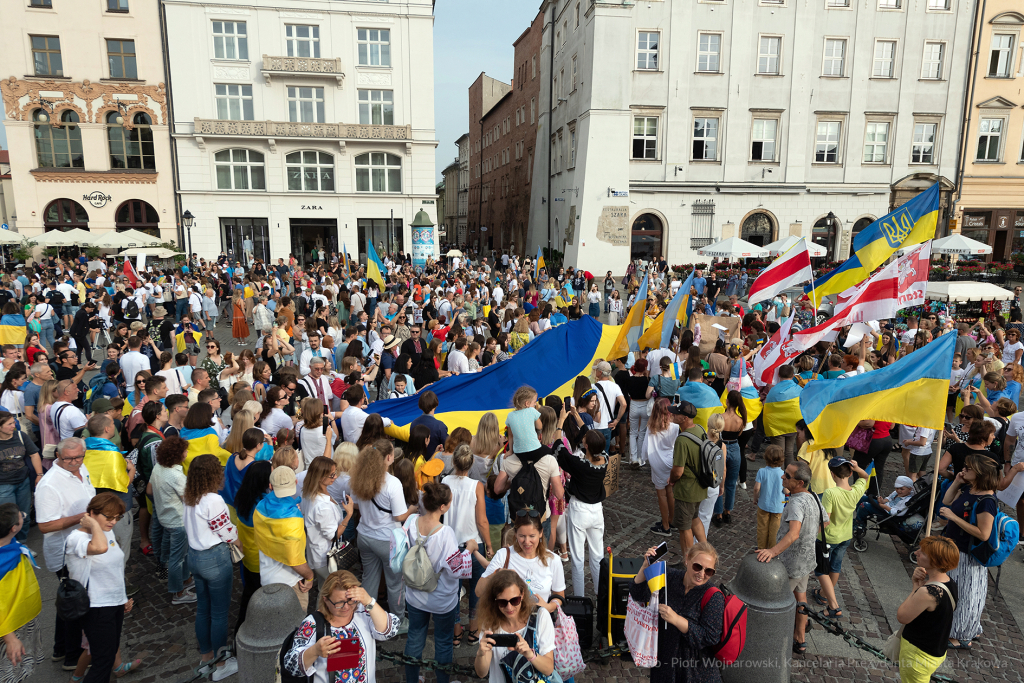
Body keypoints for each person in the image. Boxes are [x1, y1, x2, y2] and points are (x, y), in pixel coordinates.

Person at [402, 482, 478, 683]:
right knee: (443, 642)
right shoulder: (445, 534)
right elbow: (456, 569)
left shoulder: (411, 522)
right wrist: (469, 550)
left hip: (415, 594)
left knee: (415, 637)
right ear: (443, 506)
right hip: (441, 599)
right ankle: (443, 680)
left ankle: (412, 679)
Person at [756, 461, 829, 655]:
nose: (782, 477)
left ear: (799, 483)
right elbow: (826, 521)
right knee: (801, 598)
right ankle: (800, 639)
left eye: (787, 476)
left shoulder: (796, 502)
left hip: (791, 563)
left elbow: (793, 533)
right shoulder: (812, 495)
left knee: (775, 602)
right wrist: (810, 534)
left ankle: (769, 640)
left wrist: (772, 551)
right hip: (806, 561)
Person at [33, 437, 94, 669]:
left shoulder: (80, 466)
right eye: (68, 458)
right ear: (58, 456)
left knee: (68, 601)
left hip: (82, 546)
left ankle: (60, 649)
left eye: (79, 457)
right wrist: (83, 517)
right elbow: (45, 526)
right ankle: (72, 657)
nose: (75, 462)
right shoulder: (49, 485)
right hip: (66, 553)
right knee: (77, 605)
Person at [64, 492, 138, 683]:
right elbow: (99, 548)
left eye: (117, 518)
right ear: (90, 513)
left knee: (109, 651)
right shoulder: (76, 539)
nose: (113, 522)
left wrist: (122, 599)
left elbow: (115, 568)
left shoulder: (106, 531)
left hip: (112, 604)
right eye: (108, 516)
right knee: (103, 661)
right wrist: (94, 525)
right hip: (95, 607)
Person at [629, 541, 725, 683]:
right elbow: (638, 595)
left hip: (695, 671)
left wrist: (676, 619)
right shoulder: (669, 577)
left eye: (708, 571)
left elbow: (709, 637)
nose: (701, 574)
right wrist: (645, 566)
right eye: (697, 567)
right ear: (687, 560)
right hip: (665, 663)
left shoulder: (714, 597)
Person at [282, 569, 400, 682]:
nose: (346, 607)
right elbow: (291, 666)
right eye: (339, 603)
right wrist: (314, 651)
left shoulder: (362, 611)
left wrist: (369, 601)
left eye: (350, 600)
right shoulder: (312, 624)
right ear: (326, 600)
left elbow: (390, 630)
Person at [183, 454, 239, 681]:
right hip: (214, 558)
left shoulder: (190, 497)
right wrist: (239, 542)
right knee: (219, 613)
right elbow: (226, 531)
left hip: (194, 556)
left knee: (203, 609)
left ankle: (206, 657)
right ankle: (221, 662)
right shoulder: (213, 501)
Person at [349, 440, 417, 629]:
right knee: (395, 583)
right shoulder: (392, 483)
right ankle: (397, 620)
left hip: (364, 535)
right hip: (388, 540)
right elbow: (399, 515)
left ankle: (365, 617)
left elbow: (355, 504)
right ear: (388, 458)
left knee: (369, 579)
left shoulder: (359, 477)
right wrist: (412, 509)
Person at [939, 453, 998, 650]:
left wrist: (954, 519)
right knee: (955, 592)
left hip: (968, 555)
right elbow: (947, 501)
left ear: (980, 473)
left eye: (968, 468)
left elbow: (983, 533)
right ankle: (967, 628)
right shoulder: (968, 488)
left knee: (966, 595)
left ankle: (963, 636)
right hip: (955, 549)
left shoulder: (987, 501)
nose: (963, 469)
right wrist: (956, 481)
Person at [473, 569, 556, 683]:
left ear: (522, 595)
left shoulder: (540, 616)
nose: (509, 607)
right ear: (494, 600)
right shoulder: (489, 623)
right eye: (502, 602)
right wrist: (481, 654)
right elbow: (481, 673)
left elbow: (548, 669)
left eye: (514, 600)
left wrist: (530, 654)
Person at [896, 536, 960, 683]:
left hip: (918, 655)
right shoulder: (950, 582)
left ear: (936, 561)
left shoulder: (928, 592)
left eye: (923, 552)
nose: (916, 553)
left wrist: (916, 586)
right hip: (935, 650)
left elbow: (902, 616)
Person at [477, 510, 566, 614]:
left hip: (539, 622)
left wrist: (549, 607)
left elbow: (559, 595)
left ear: (541, 533)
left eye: (532, 536)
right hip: (507, 624)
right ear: (515, 534)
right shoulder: (503, 555)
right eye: (522, 536)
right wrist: (497, 572)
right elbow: (478, 591)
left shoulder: (553, 560)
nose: (527, 542)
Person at [813, 457, 869, 619]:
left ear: (832, 474)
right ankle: (823, 593)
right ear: (851, 473)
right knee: (835, 567)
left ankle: (832, 603)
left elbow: (826, 520)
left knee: (821, 570)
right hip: (845, 536)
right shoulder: (856, 490)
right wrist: (858, 468)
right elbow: (865, 477)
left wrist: (811, 534)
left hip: (829, 538)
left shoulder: (831, 493)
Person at [555, 426, 608, 597]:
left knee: (578, 558)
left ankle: (580, 598)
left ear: (586, 445)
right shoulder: (605, 459)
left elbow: (559, 449)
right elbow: (593, 439)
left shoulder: (580, 465)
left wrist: (560, 423)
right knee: (598, 556)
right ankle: (600, 596)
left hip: (579, 510)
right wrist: (577, 417)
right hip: (597, 511)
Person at [0, 503, 45, 683]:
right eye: (22, 517)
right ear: (14, 528)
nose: (24, 518)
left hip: (23, 619)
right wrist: (9, 637)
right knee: (8, 673)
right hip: (9, 628)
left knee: (19, 669)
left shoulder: (9, 544)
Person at [300, 456, 353, 603]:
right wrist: (348, 515)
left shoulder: (308, 493)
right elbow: (333, 535)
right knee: (332, 591)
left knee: (324, 589)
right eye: (332, 475)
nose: (335, 477)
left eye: (335, 473)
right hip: (325, 557)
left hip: (317, 552)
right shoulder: (322, 505)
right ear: (319, 477)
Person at [150, 436, 194, 604]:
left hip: (165, 518)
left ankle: (186, 580)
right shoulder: (176, 476)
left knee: (179, 554)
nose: (187, 452)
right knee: (178, 558)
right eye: (184, 450)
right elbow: (189, 499)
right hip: (178, 522)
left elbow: (150, 490)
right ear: (177, 454)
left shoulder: (158, 468)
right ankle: (178, 592)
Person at [669, 400, 707, 552]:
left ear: (684, 418)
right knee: (695, 519)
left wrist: (671, 480)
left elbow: (678, 471)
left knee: (684, 528)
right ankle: (706, 550)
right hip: (700, 486)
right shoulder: (700, 429)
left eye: (676, 413)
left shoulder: (682, 439)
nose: (673, 414)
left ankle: (688, 562)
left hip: (686, 490)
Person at [0, 411, 42, 542]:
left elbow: (34, 454)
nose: (14, 425)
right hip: (4, 486)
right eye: (10, 424)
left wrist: (39, 474)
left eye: (13, 422)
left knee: (24, 516)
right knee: (8, 520)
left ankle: (22, 543)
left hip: (23, 482)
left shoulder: (20, 435)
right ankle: (8, 546)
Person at [646, 398, 680, 537]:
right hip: (670, 461)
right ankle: (671, 521)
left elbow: (645, 446)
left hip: (657, 462)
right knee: (670, 492)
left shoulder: (651, 427)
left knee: (661, 494)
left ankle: (665, 526)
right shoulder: (675, 427)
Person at [753, 445, 785, 550]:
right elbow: (786, 490)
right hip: (778, 506)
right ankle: (773, 550)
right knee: (775, 530)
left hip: (763, 504)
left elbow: (756, 488)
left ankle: (761, 548)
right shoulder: (782, 474)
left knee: (762, 528)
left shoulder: (761, 471)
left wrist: (755, 498)